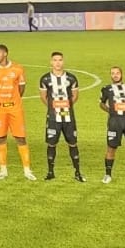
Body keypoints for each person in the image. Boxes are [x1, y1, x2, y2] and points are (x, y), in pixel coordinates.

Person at [0, 44, 36, 180]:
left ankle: (27, 170)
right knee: (1, 137)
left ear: (5, 54)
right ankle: (3, 170)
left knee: (21, 138)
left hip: (15, 108)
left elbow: (21, 88)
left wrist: (14, 100)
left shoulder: (17, 69)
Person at [39, 52, 83, 182]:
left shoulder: (71, 78)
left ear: (63, 62)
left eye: (60, 60)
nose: (57, 63)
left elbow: (75, 96)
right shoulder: (45, 79)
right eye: (55, 60)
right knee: (51, 144)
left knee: (73, 143)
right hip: (53, 117)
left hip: (68, 117)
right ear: (51, 62)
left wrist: (66, 106)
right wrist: (53, 108)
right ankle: (50, 172)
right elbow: (43, 96)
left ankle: (77, 172)